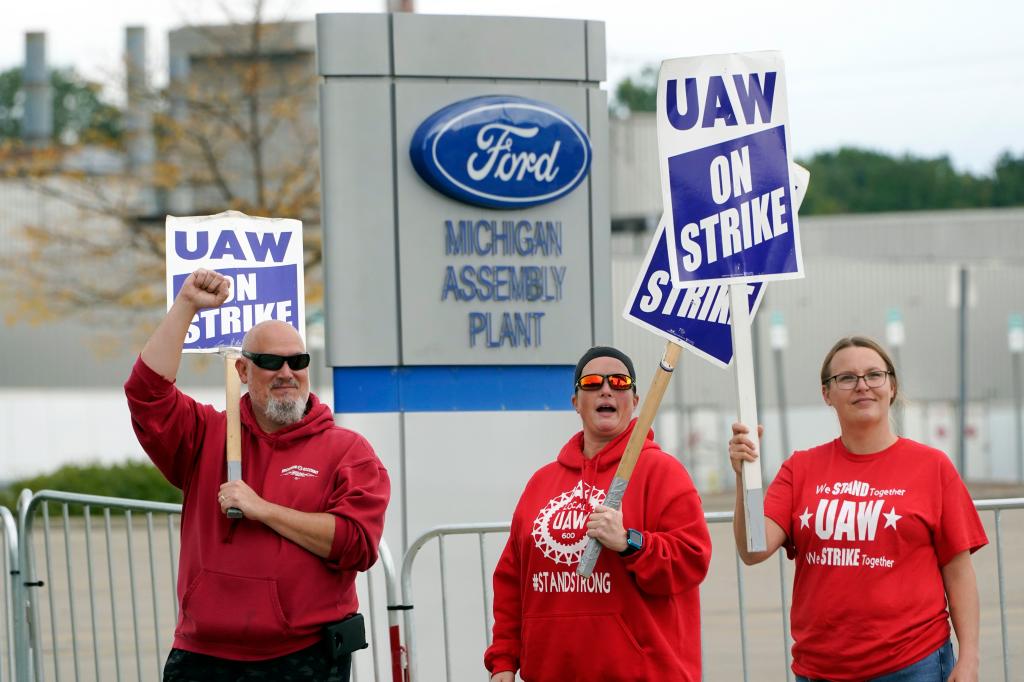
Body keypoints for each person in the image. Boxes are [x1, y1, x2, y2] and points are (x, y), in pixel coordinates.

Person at [125, 268, 390, 682]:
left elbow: (357, 544)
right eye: (270, 361)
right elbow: (147, 394)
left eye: (297, 360)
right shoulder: (206, 434)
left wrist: (264, 509)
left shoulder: (348, 451)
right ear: (243, 372)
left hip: (303, 656)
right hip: (202, 655)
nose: (287, 372)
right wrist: (187, 305)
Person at [729, 336, 987, 682]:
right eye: (846, 378)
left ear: (891, 386)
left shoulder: (932, 467)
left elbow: (958, 571)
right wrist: (743, 479)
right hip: (821, 668)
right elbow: (752, 549)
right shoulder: (800, 468)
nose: (862, 386)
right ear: (827, 394)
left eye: (874, 375)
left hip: (912, 664)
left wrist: (968, 657)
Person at [484, 346, 712, 682]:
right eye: (592, 382)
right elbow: (512, 579)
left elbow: (692, 560)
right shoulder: (542, 482)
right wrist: (504, 660)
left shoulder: (662, 472)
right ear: (575, 401)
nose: (606, 389)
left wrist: (629, 543)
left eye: (619, 382)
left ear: (635, 401)